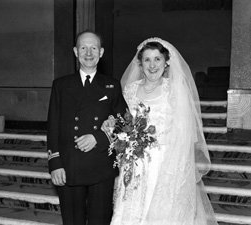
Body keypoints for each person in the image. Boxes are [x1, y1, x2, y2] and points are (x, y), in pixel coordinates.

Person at [102, 37, 218, 224]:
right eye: (147, 59)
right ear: (140, 63)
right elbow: (122, 121)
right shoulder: (130, 90)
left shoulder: (174, 89)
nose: (152, 65)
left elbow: (184, 132)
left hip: (165, 161)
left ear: (166, 62)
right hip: (134, 160)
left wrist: (175, 166)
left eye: (157, 59)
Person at [47, 30, 128, 225]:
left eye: (94, 48)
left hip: (100, 165)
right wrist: (55, 163)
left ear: (101, 53)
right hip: (69, 164)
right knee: (72, 220)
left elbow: (124, 123)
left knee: (99, 220)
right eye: (83, 48)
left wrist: (98, 138)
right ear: (76, 51)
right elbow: (53, 125)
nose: (89, 53)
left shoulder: (112, 85)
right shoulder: (61, 85)